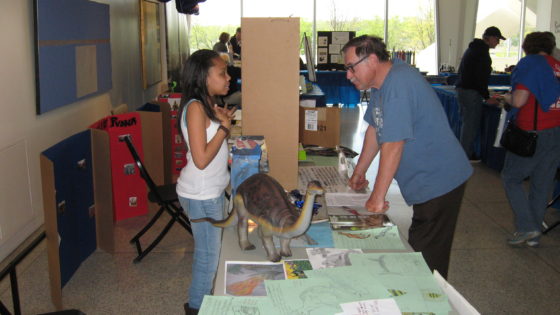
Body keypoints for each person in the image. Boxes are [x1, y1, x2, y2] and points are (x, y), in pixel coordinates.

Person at [342, 35, 473, 279]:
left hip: (440, 180)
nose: (348, 75)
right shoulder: (382, 85)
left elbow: (393, 144)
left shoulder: (400, 83)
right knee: (420, 249)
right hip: (427, 179)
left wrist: (378, 198)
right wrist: (359, 171)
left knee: (426, 257)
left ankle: (430, 302)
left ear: (371, 59)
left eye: (351, 67)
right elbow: (374, 128)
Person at [176, 49, 236, 315]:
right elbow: (201, 159)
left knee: (211, 252)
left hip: (209, 192)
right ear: (203, 77)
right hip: (202, 195)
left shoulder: (206, 103)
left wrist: (221, 123)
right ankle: (197, 307)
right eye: (222, 73)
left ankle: (204, 301)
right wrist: (224, 129)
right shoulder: (196, 108)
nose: (228, 77)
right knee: (208, 258)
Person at [501, 32, 560, 247]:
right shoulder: (556, 65)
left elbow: (519, 100)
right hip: (556, 130)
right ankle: (534, 231)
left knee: (511, 178)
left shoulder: (530, 64)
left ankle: (527, 227)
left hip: (531, 131)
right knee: (542, 183)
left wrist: (506, 98)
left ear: (527, 46)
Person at [456, 26, 505, 160]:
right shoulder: (481, 53)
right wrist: (487, 97)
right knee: (470, 126)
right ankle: (465, 156)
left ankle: (464, 153)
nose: (498, 43)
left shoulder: (473, 49)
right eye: (497, 39)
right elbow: (480, 78)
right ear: (489, 38)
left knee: (466, 124)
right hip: (471, 93)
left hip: (463, 90)